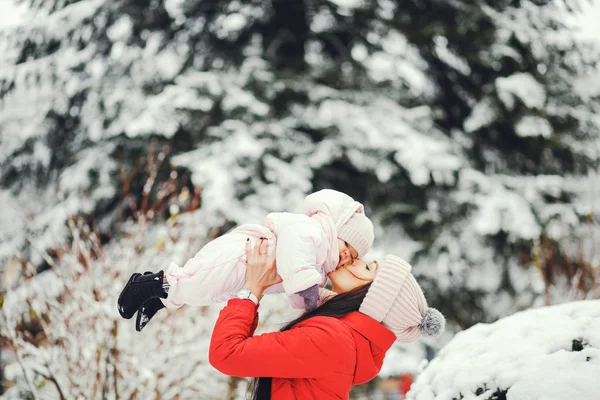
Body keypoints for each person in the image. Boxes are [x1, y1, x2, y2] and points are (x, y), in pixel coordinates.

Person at [209, 239, 446, 400]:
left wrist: (253, 288)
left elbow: (227, 353)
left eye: (366, 268)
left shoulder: (332, 339)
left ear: (374, 299)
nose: (353, 260)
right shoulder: (341, 337)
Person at [117, 189, 375, 331]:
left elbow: (300, 288)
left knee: (204, 294)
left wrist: (320, 298)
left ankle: (160, 298)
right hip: (240, 255)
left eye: (351, 257)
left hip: (247, 273)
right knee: (198, 283)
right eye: (347, 246)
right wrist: (309, 294)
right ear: (337, 230)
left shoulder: (317, 264)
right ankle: (148, 285)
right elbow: (297, 260)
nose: (345, 256)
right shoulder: (313, 231)